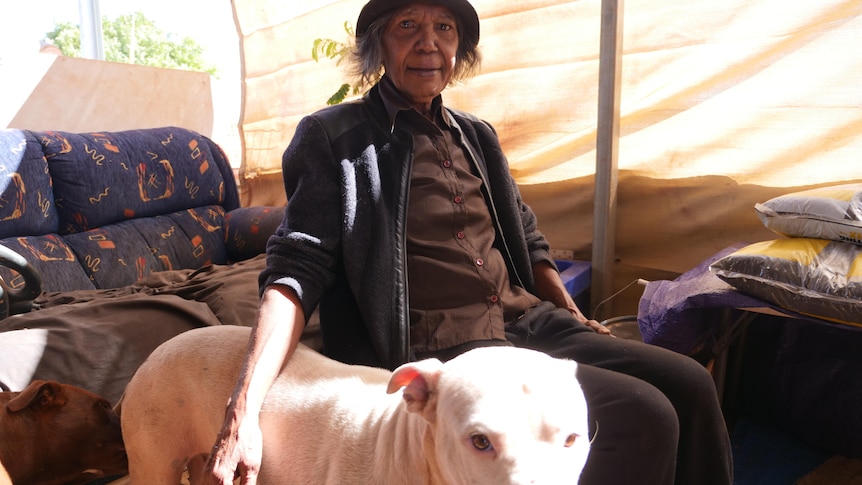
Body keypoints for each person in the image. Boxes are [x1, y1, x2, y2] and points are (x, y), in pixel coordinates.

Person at [205, 0, 733, 483]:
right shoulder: (335, 137)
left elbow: (526, 236)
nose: (429, 42)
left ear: (460, 48)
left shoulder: (476, 135)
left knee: (689, 383)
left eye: (445, 28)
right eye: (407, 26)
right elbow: (296, 269)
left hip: (525, 320)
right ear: (377, 46)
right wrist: (243, 411)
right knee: (644, 413)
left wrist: (570, 313)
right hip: (445, 345)